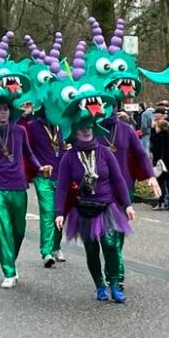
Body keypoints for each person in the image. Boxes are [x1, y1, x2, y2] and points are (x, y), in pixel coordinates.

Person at [0, 102, 52, 287]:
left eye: (5, 109)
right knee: (3, 230)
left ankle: (10, 260)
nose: (2, 112)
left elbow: (29, 154)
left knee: (18, 230)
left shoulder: (19, 131)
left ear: (10, 111)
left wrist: (40, 167)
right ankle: (9, 271)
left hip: (18, 184)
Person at [56, 125, 134, 303]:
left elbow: (119, 179)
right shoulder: (69, 157)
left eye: (89, 127)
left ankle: (114, 285)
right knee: (91, 250)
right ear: (75, 131)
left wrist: (128, 205)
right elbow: (61, 187)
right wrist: (60, 212)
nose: (86, 130)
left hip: (106, 206)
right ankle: (99, 285)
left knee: (110, 245)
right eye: (82, 127)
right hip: (84, 209)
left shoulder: (105, 152)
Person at [97, 99, 159, 287]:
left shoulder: (126, 130)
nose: (110, 110)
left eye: (113, 106)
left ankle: (114, 274)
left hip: (124, 188)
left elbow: (141, 154)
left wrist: (151, 176)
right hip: (100, 190)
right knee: (106, 235)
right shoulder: (93, 129)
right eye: (105, 106)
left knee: (118, 232)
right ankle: (115, 273)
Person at [25, 106, 68, 266]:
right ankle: (46, 252)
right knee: (48, 213)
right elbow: (26, 148)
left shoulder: (60, 126)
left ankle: (56, 247)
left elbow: (61, 148)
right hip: (42, 177)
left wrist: (66, 150)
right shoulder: (33, 126)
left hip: (62, 177)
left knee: (62, 213)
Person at [149, 110, 169, 210]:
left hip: (160, 162)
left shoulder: (158, 137)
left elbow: (154, 149)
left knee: (160, 183)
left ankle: (161, 202)